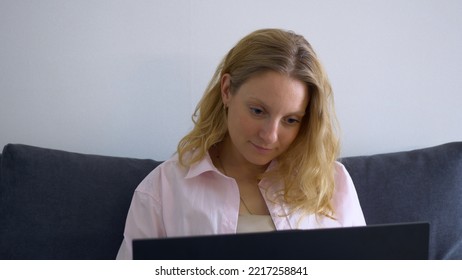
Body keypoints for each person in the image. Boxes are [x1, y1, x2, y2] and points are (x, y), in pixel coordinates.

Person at [116, 28, 365, 259]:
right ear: (226, 90)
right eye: (258, 111)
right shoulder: (163, 190)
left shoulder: (332, 182)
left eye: (290, 120)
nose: (270, 135)